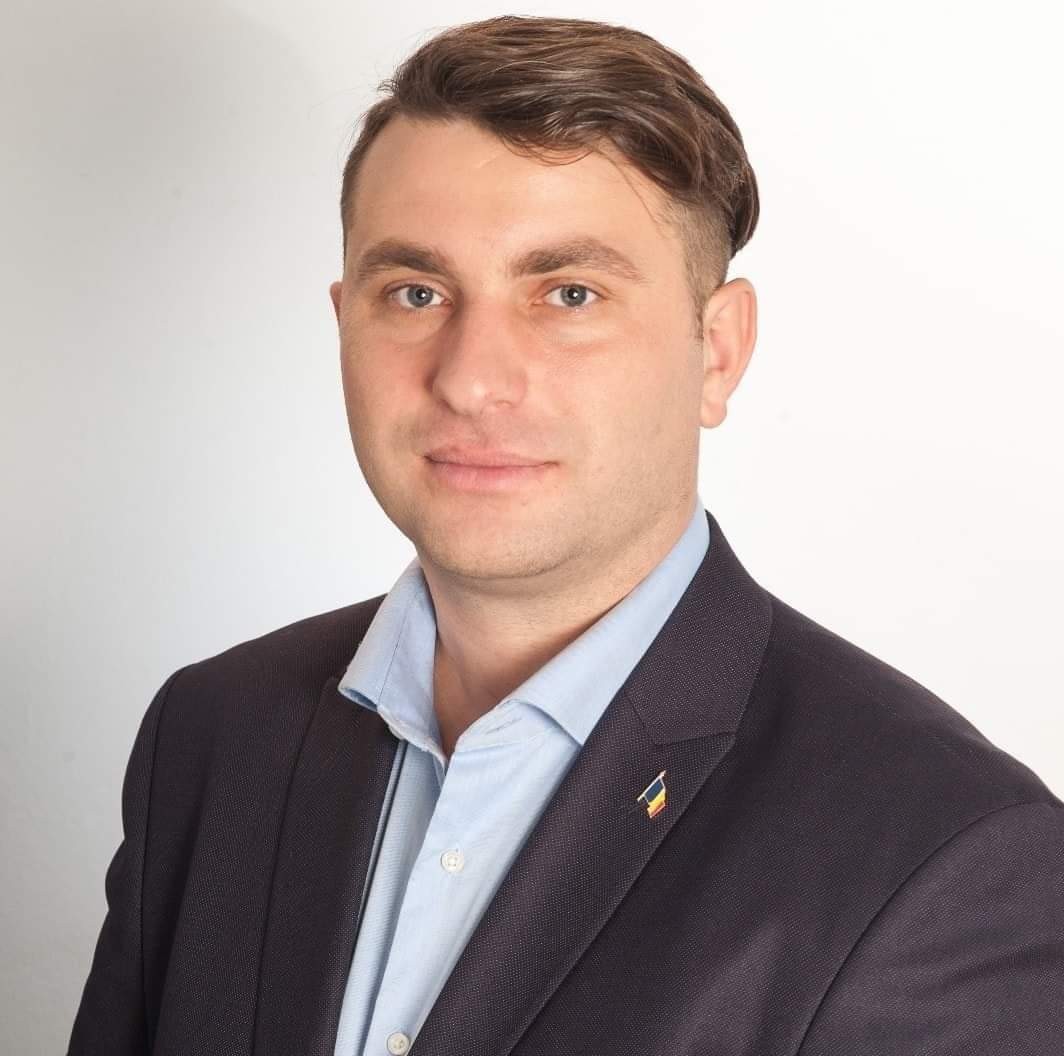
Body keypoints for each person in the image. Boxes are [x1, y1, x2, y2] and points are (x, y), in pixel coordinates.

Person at [68, 14, 1063, 1056]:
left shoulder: (947, 859)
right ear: (345, 321)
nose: (472, 378)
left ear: (718, 352)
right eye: (415, 292)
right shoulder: (214, 737)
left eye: (568, 294)